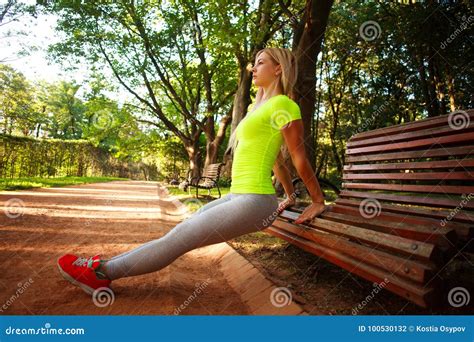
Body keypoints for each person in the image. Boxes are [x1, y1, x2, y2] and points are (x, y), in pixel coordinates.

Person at [57, 47, 327, 295]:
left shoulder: (285, 105)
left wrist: (317, 200)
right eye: (253, 64)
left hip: (255, 201)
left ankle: (101, 274)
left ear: (279, 68)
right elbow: (277, 162)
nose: (253, 69)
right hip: (240, 196)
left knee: (178, 240)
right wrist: (289, 196)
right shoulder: (259, 108)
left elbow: (297, 155)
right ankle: (102, 265)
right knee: (177, 233)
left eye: (260, 63)